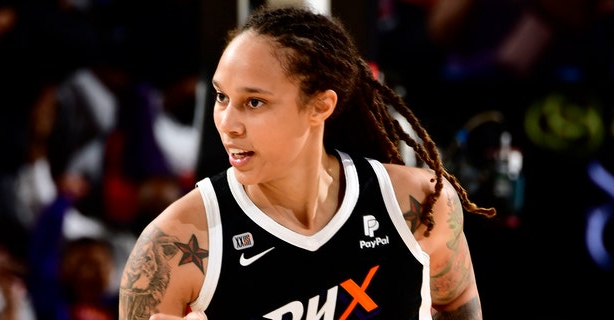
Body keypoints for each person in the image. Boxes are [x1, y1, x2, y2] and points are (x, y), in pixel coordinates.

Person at [118, 5, 496, 320]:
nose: (227, 124)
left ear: (321, 106)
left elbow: (456, 304)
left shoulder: (418, 203)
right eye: (221, 97)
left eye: (254, 102)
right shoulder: (174, 244)